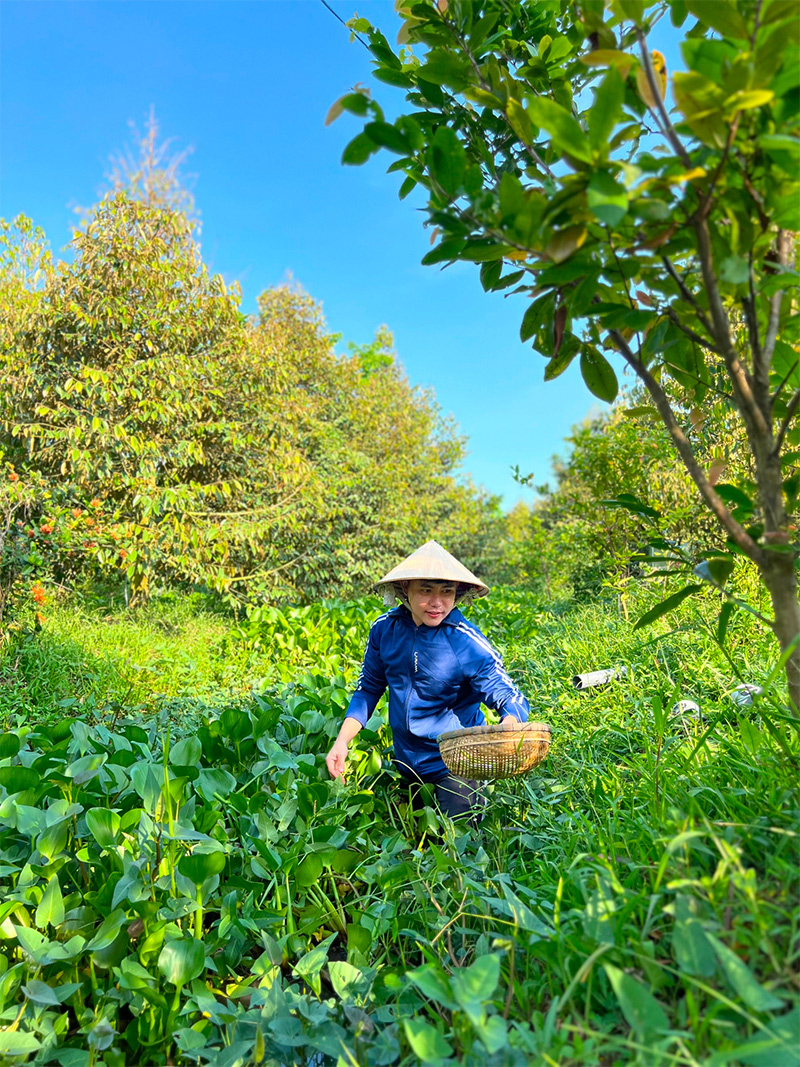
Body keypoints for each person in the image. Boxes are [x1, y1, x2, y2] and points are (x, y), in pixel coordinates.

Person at [325, 540, 531, 820]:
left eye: (447, 592)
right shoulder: (385, 630)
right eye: (426, 590)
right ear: (404, 589)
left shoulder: (464, 640)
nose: (437, 603)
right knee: (413, 847)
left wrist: (510, 721)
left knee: (459, 850)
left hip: (457, 764)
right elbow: (368, 689)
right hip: (407, 763)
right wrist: (342, 742)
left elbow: (506, 693)